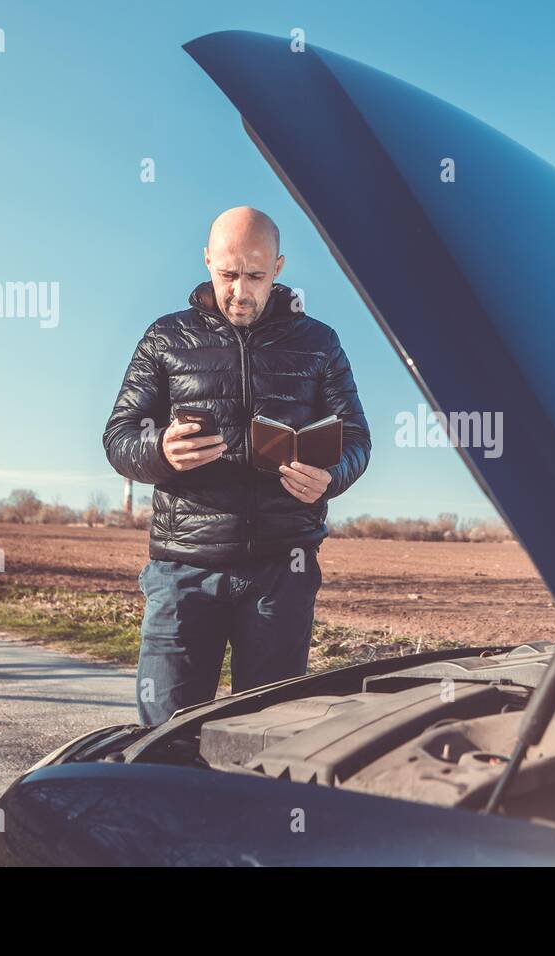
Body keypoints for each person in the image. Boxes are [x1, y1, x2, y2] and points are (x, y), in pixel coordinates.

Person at [103, 206, 371, 725]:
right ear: (207, 261)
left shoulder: (318, 343)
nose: (239, 291)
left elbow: (356, 436)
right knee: (166, 735)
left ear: (279, 268)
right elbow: (119, 437)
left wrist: (329, 478)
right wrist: (160, 451)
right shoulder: (165, 338)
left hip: (281, 571)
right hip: (183, 569)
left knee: (270, 737)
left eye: (255, 275)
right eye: (227, 274)